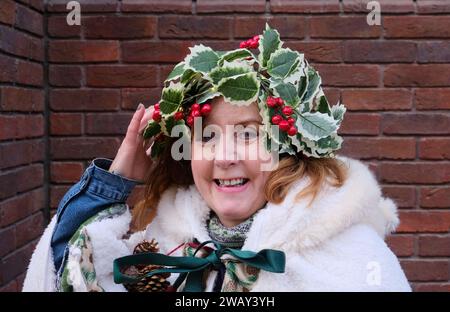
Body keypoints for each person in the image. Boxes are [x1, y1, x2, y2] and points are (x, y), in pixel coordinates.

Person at [23, 24, 411, 292]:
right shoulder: (165, 248)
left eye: (247, 134)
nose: (224, 157)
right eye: (207, 136)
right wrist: (116, 181)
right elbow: (68, 273)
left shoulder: (355, 259)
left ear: (285, 147)